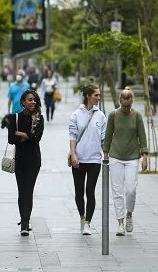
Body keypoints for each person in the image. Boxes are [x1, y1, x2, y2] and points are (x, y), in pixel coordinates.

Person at [103, 87, 148, 236]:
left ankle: (129, 214)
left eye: (129, 105)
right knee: (117, 191)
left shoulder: (137, 116)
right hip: (116, 156)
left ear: (132, 102)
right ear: (120, 102)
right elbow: (108, 135)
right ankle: (120, 222)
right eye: (124, 105)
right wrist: (106, 154)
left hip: (132, 157)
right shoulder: (113, 115)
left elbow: (142, 136)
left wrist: (145, 156)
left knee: (130, 189)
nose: (127, 108)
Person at [68, 84, 106, 235]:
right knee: (79, 193)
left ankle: (88, 223)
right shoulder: (76, 115)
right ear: (88, 96)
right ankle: (82, 217)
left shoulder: (101, 116)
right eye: (96, 95)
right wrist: (73, 155)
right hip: (79, 159)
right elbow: (72, 137)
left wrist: (107, 155)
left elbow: (104, 138)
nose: (98, 97)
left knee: (90, 191)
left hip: (95, 160)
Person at [7, 89, 44, 236]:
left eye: (34, 100)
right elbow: (11, 139)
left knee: (28, 191)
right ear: (23, 102)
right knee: (22, 191)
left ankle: (25, 222)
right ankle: (23, 220)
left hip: (34, 161)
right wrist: (28, 136)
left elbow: (37, 138)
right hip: (20, 160)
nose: (33, 102)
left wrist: (22, 134)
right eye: (30, 99)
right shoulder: (15, 118)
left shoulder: (39, 118)